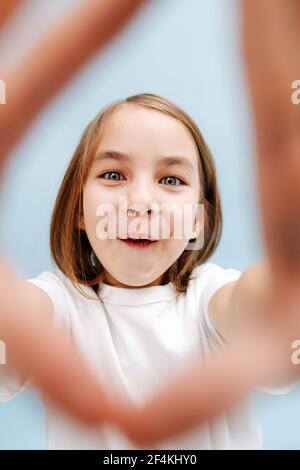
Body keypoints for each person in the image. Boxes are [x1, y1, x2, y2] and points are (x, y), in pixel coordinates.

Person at [0, 0, 299, 449]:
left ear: (199, 219)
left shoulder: (211, 301)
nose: (140, 202)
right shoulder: (57, 308)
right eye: (113, 175)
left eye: (171, 179)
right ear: (79, 211)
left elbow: (274, 311)